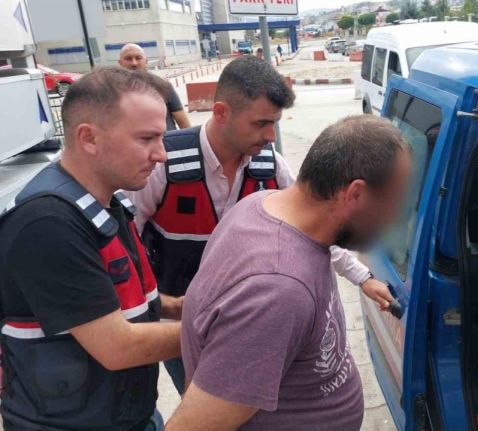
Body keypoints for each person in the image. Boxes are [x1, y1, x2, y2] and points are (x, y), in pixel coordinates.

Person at [127, 55, 394, 394]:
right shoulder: (164, 164)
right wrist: (155, 306)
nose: (270, 135)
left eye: (275, 123)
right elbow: (125, 245)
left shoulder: (270, 167)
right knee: (201, 405)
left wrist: (363, 278)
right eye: (261, 123)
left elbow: (316, 224)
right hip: (180, 326)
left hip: (250, 324)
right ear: (221, 112)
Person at [165, 115, 412, 431]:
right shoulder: (277, 289)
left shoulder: (263, 204)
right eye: (395, 204)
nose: (397, 219)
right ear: (355, 194)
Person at [0, 67, 181, 430]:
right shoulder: (47, 224)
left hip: (129, 415)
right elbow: (118, 347)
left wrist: (185, 306)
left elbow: (116, 299)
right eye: (146, 138)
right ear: (89, 138)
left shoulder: (106, 204)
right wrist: (223, 329)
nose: (161, 155)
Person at [119, 43, 191, 131]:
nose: (134, 63)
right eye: (128, 59)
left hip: (166, 138)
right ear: (120, 63)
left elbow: (184, 124)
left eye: (138, 58)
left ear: (146, 61)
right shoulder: (112, 91)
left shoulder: (163, 86)